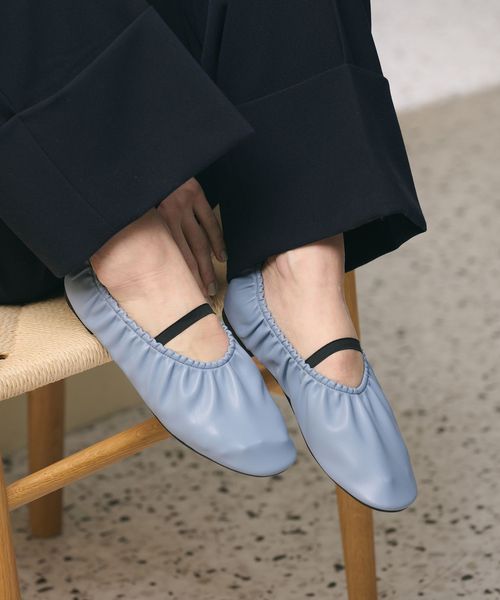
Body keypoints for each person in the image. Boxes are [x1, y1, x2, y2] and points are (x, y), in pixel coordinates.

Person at [0, 0, 426, 511]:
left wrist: (154, 134)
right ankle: (135, 253)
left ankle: (301, 263)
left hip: (188, 120)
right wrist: (138, 159)